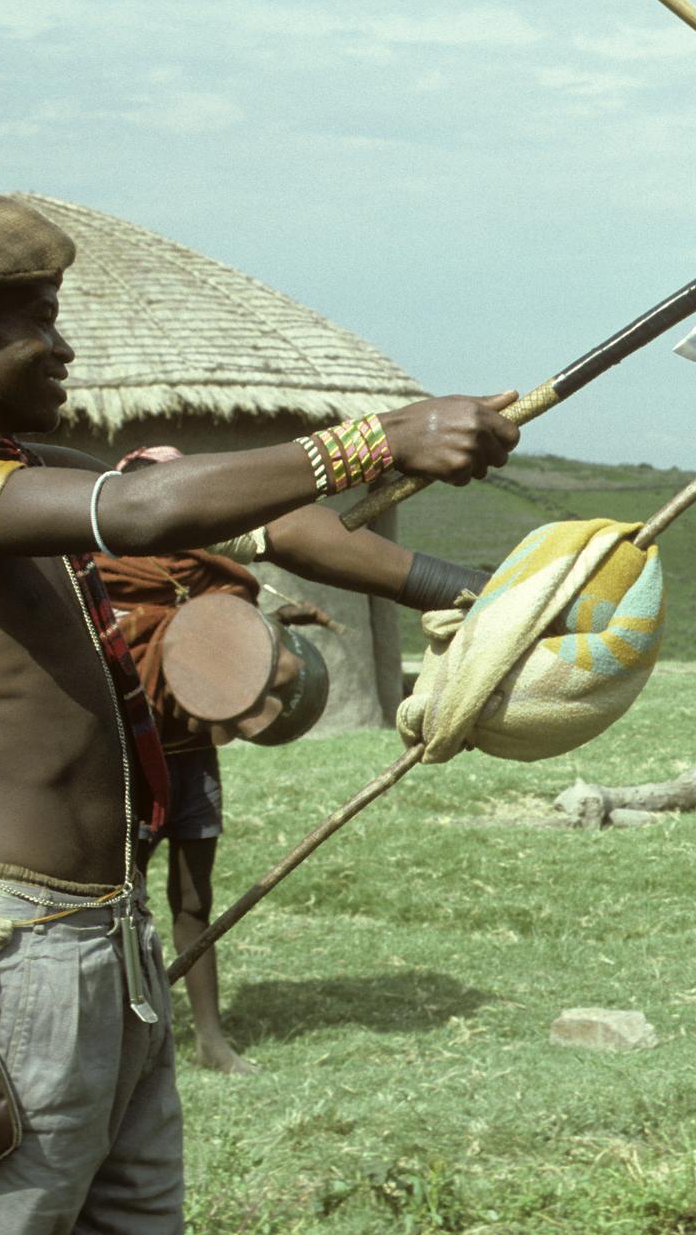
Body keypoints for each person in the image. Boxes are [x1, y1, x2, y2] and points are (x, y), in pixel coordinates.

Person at [0, 188, 517, 1233]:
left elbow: (271, 527)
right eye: (38, 318)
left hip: (109, 946)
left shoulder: (22, 469)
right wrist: (372, 442)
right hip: (13, 959)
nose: (64, 346)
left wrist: (477, 595)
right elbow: (140, 509)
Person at [100, 445, 493, 1076]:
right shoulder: (100, 568)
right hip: (127, 759)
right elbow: (163, 632)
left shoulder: (210, 559)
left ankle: (208, 1037)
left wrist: (276, 619)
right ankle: (121, 1029)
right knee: (125, 898)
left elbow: (212, 630)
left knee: (194, 897)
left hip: (193, 756)